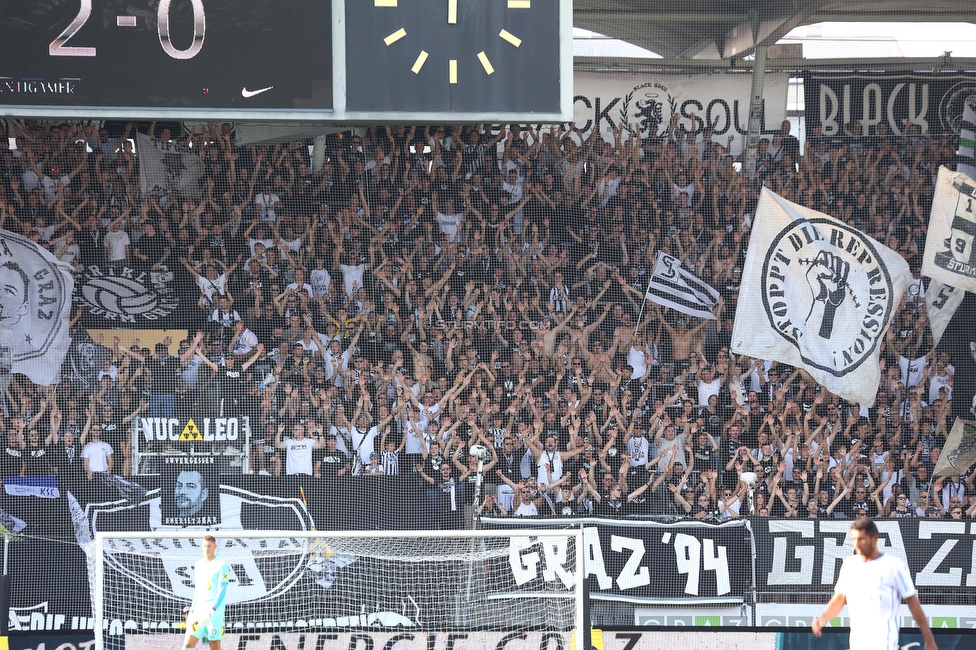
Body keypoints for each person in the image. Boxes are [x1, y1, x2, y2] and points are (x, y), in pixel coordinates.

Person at [812, 518, 937, 650]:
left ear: (874, 538)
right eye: (854, 539)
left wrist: (929, 640)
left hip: (884, 641)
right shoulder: (849, 564)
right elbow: (839, 599)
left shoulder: (894, 566)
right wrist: (823, 618)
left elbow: (913, 602)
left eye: (861, 539)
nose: (857, 544)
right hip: (857, 643)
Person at [183, 535, 231, 650]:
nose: (206, 548)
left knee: (214, 646)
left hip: (214, 614)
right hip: (199, 612)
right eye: (204, 546)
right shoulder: (199, 564)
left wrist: (213, 609)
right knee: (188, 645)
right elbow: (198, 590)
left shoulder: (222, 565)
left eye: (209, 546)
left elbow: (222, 590)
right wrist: (192, 609)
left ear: (215, 546)